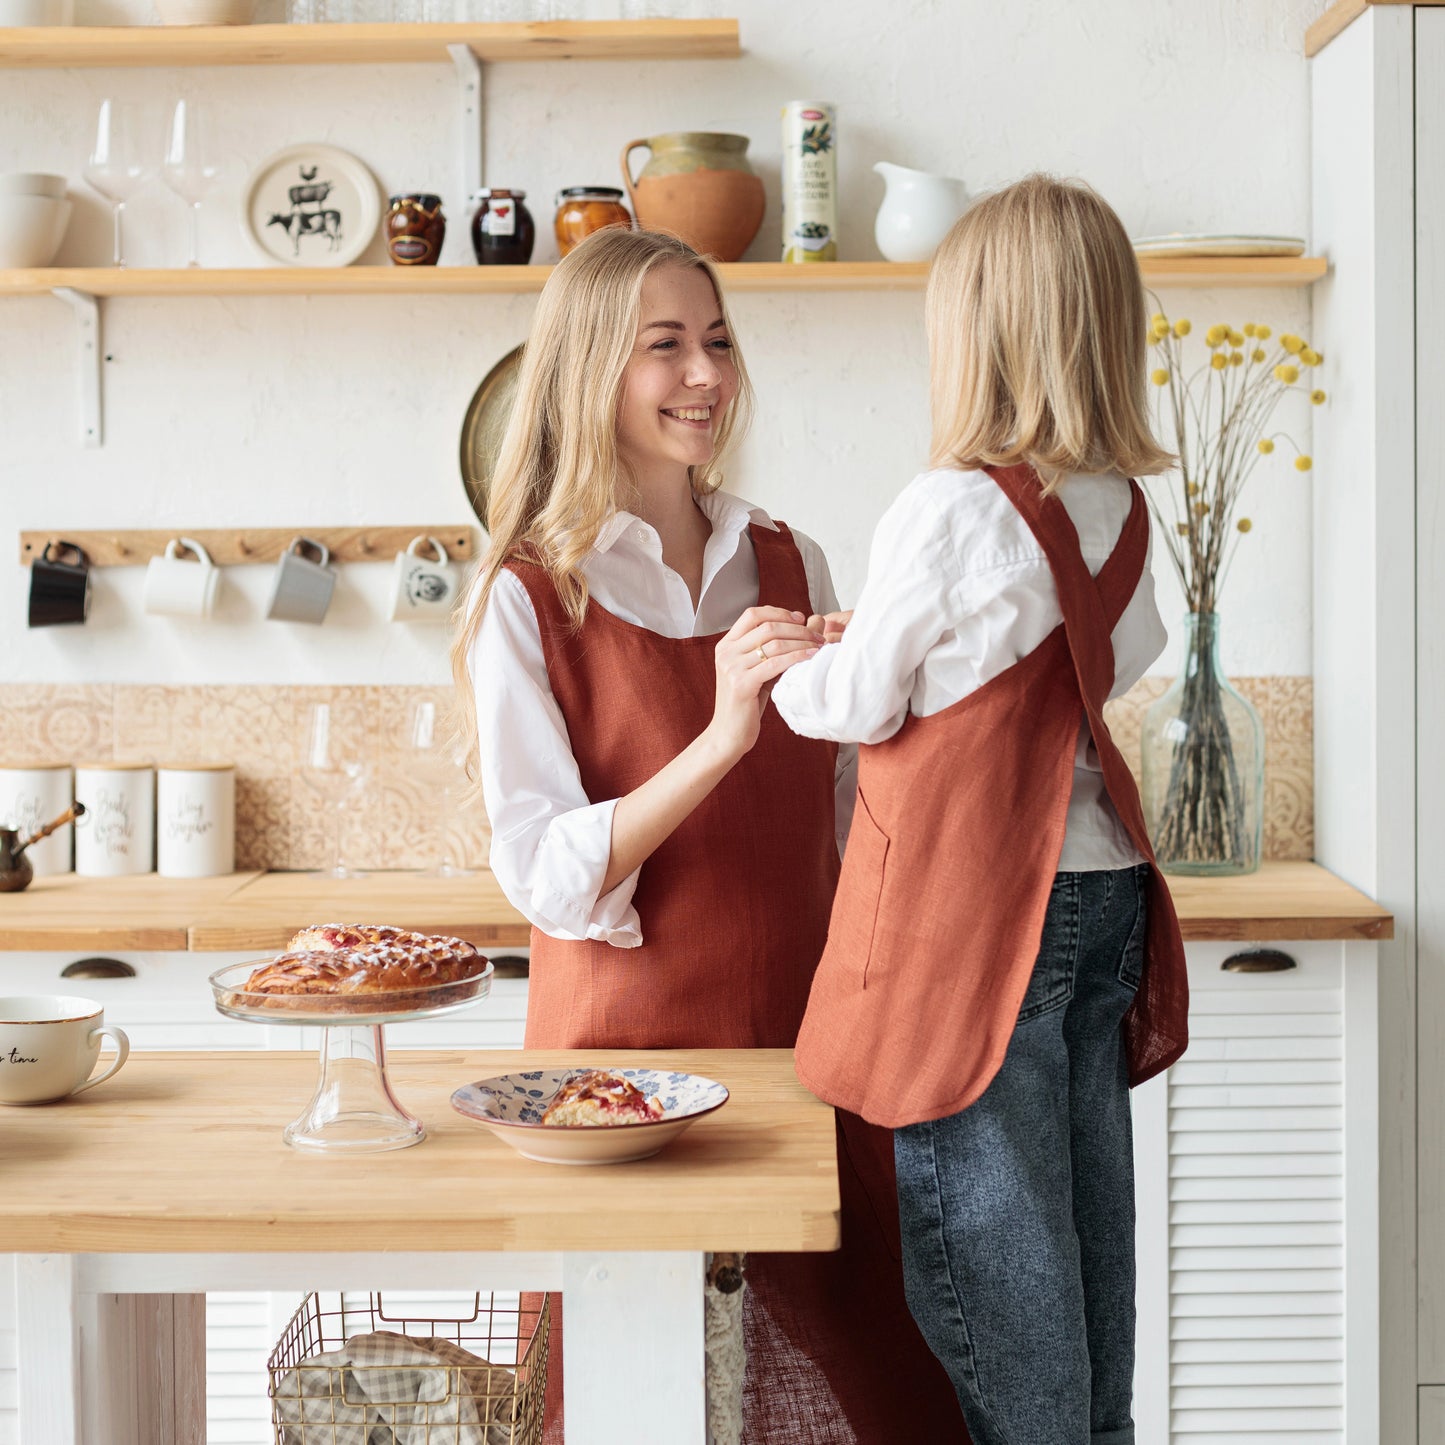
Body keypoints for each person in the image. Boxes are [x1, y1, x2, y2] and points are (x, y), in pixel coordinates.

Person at [450, 226, 962, 1443]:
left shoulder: (789, 557)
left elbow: (851, 828)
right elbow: (542, 871)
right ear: (588, 369)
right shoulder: (527, 594)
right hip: (609, 1086)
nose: (706, 376)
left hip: (804, 1061)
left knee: (872, 1395)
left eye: (718, 341)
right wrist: (723, 731)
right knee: (624, 1398)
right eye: (664, 347)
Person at [770, 174, 1191, 1445]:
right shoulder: (1123, 508)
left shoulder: (949, 506)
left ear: (979, 334)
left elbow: (849, 701)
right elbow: (1123, 656)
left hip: (977, 920)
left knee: (985, 1265)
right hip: (1101, 888)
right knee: (1076, 1233)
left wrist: (789, 659)